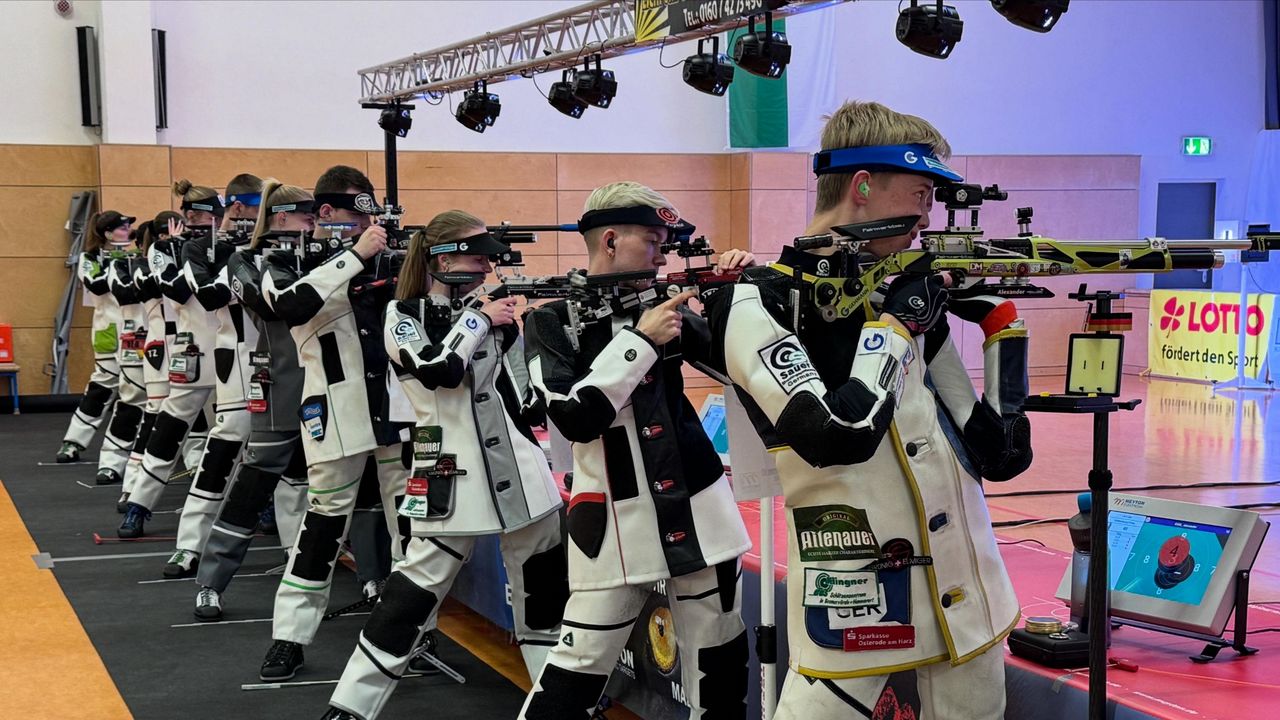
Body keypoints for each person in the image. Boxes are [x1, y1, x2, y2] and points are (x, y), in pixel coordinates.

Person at [700, 100, 1033, 719]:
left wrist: (1002, 327)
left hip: (970, 601)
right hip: (855, 601)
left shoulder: (900, 296)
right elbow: (837, 434)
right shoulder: (758, 300)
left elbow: (1002, 454)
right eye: (920, 194)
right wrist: (898, 327)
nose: (928, 216)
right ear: (862, 187)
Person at [322, 211, 568, 720]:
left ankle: (556, 708)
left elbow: (524, 400)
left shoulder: (492, 313)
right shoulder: (402, 315)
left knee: (543, 602)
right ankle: (351, 706)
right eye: (477, 256)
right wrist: (479, 320)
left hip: (525, 478)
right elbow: (439, 369)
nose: (487, 266)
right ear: (443, 259)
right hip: (446, 476)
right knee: (408, 598)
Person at [519, 182, 751, 720]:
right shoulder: (549, 320)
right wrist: (642, 342)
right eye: (652, 242)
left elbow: (738, 369)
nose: (662, 256)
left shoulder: (660, 306)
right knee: (576, 668)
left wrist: (731, 298)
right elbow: (574, 417)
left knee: (720, 665)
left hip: (701, 509)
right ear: (610, 241)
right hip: (612, 521)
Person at [257, 167, 410, 682]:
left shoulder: (388, 256)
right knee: (322, 528)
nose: (369, 226)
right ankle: (289, 636)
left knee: (410, 527)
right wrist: (356, 256)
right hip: (334, 412)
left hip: (397, 410)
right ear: (326, 213)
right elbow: (291, 305)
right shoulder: (285, 259)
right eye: (356, 215)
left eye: (372, 217)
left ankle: (415, 630)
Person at [155, 173, 267, 579]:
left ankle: (295, 549)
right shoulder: (200, 247)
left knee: (293, 460)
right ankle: (189, 544)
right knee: (222, 449)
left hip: (285, 358)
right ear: (238, 207)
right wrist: (240, 264)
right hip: (237, 357)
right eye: (258, 208)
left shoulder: (269, 245)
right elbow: (207, 295)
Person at [118, 180, 226, 542]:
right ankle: (138, 504)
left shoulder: (230, 246)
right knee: (166, 434)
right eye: (194, 215)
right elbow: (177, 290)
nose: (201, 221)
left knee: (234, 437)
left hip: (231, 354)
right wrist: (186, 250)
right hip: (190, 351)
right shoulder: (164, 249)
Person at [54, 210, 134, 467]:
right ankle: (73, 442)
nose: (128, 232)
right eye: (122, 228)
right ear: (108, 233)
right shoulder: (90, 258)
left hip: (135, 331)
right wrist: (116, 265)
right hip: (108, 330)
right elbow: (95, 284)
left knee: (134, 391)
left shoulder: (135, 257)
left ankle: (122, 450)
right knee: (100, 388)